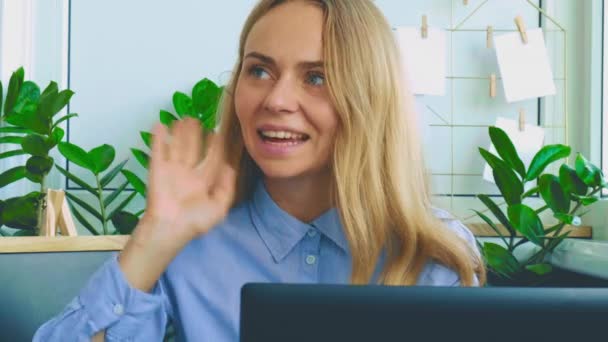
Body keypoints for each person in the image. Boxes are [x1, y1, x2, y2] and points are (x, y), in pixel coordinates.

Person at [34, 0, 485, 340]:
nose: (276, 100)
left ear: (369, 99)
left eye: (316, 77)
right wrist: (154, 239)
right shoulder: (191, 244)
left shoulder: (433, 256)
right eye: (259, 71)